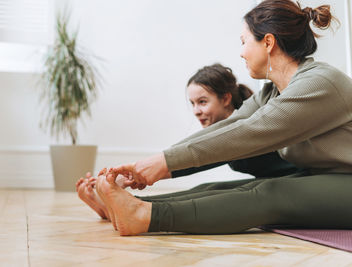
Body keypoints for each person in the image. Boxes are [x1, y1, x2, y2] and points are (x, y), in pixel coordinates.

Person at [96, 0, 352, 236]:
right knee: (219, 189)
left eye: (244, 41)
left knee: (271, 192)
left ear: (268, 43)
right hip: (329, 179)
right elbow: (229, 126)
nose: (241, 52)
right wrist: (153, 164)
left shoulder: (320, 83)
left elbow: (251, 131)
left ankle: (144, 216)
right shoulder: (271, 91)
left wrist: (165, 162)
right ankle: (130, 206)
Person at [76, 63, 299, 219]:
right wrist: (129, 175)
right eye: (192, 103)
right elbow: (189, 157)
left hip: (297, 182)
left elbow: (196, 160)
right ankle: (119, 207)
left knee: (211, 190)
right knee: (209, 188)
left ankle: (125, 207)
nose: (196, 111)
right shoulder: (223, 130)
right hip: (278, 183)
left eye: (202, 102)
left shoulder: (244, 125)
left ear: (225, 98)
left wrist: (134, 175)